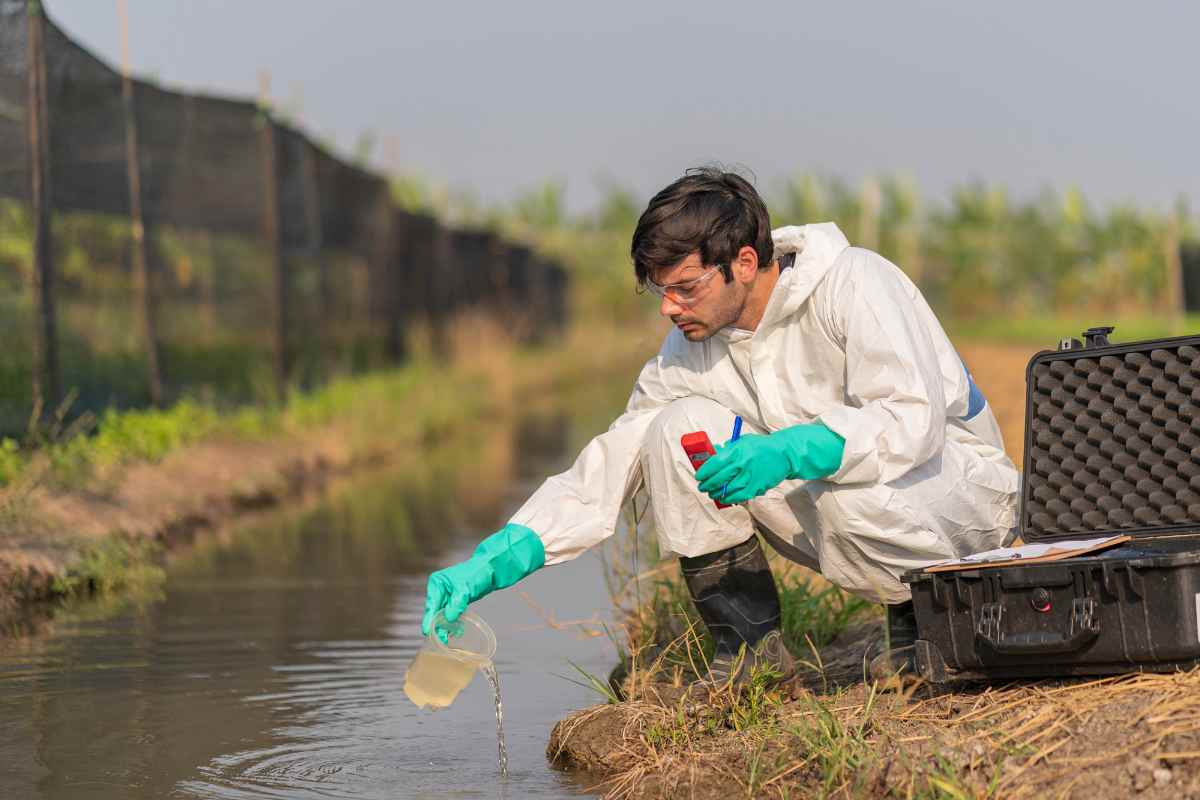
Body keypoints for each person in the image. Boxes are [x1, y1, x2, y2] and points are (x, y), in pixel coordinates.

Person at [422, 168, 1019, 686]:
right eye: (659, 291)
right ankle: (749, 653)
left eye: (685, 288)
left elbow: (911, 421)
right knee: (672, 431)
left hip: (958, 497)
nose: (668, 308)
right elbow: (611, 461)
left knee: (847, 492)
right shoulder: (691, 350)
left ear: (745, 263)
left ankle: (922, 621)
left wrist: (790, 449)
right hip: (852, 504)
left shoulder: (854, 282)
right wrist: (497, 558)